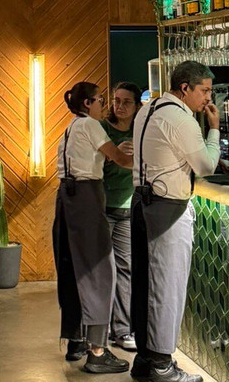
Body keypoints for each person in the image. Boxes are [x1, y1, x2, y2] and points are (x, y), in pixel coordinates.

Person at [130, 61, 220, 382]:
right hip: (168, 209)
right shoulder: (181, 119)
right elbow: (206, 165)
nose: (208, 98)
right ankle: (161, 366)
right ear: (185, 88)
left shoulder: (147, 109)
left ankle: (145, 360)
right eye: (204, 91)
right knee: (168, 286)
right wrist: (213, 129)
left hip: (141, 204)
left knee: (145, 285)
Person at [53, 81, 134, 374]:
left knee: (73, 269)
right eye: (101, 99)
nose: (105, 105)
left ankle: (76, 340)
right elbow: (122, 160)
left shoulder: (72, 126)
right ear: (88, 103)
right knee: (100, 271)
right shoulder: (91, 124)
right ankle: (98, 352)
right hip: (86, 198)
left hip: (66, 198)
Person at [104, 82, 139, 353]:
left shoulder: (142, 130)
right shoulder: (102, 129)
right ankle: (96, 328)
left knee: (125, 268)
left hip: (128, 208)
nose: (120, 106)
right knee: (102, 270)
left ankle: (122, 329)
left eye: (127, 102)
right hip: (102, 206)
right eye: (117, 100)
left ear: (137, 105)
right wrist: (114, 155)